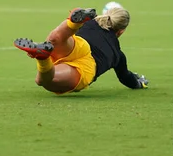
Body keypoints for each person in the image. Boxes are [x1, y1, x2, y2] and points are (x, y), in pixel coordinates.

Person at [14, 7, 148, 94]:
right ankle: (42, 58)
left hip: (80, 46)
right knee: (44, 81)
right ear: (121, 31)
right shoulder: (117, 54)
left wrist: (78, 25)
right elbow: (126, 78)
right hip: (87, 67)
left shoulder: (90, 23)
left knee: (55, 39)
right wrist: (139, 83)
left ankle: (73, 23)